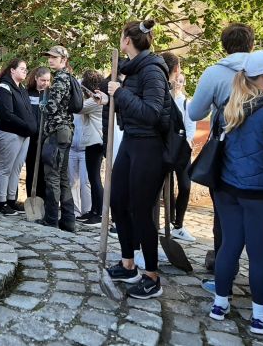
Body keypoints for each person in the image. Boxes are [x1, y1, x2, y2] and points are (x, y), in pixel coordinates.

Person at [208, 50, 263, 334]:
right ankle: (258, 317)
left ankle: (219, 304)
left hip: (227, 187)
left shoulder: (229, 104)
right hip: (261, 192)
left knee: (229, 246)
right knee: (259, 254)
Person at [187, 23, 259, 287]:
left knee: (224, 215)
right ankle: (262, 277)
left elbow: (195, 113)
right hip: (261, 152)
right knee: (261, 216)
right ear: (252, 44)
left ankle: (224, 274)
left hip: (226, 150)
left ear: (224, 45)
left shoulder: (214, 73)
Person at [106, 19, 169, 299]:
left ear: (127, 41)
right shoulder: (131, 70)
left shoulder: (152, 70)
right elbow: (131, 105)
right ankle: (128, 264)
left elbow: (151, 113)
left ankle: (152, 277)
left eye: (121, 36)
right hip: (132, 141)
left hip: (150, 146)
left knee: (141, 210)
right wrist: (109, 99)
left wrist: (120, 93)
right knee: (118, 201)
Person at [38, 46, 76, 232]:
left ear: (63, 59)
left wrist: (42, 102)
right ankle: (68, 220)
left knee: (52, 176)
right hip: (65, 131)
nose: (50, 60)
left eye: (54, 57)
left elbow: (51, 108)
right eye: (49, 57)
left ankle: (51, 218)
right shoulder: (68, 77)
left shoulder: (61, 78)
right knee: (62, 177)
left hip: (57, 131)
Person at [160, 52, 197, 242]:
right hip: (167, 148)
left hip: (182, 149)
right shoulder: (164, 97)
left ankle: (179, 224)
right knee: (167, 187)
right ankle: (169, 220)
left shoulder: (186, 103)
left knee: (185, 185)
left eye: (181, 81)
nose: (178, 83)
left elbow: (191, 126)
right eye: (177, 80)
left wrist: (187, 142)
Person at [0, 58, 37, 216]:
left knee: (16, 169)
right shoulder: (4, 88)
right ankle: (2, 202)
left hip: (24, 134)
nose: (25, 71)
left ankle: (11, 200)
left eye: (26, 69)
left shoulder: (21, 88)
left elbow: (27, 111)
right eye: (22, 68)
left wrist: (30, 126)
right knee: (5, 168)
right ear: (12, 70)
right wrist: (27, 126)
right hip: (10, 133)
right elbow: (6, 114)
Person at [77, 70, 108, 226]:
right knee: (93, 177)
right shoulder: (99, 98)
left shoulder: (95, 100)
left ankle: (99, 213)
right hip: (97, 140)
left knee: (94, 177)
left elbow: (78, 107)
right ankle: (94, 210)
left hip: (95, 141)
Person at [24, 67, 51, 200]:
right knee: (31, 167)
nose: (45, 83)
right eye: (42, 80)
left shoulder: (51, 95)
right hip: (30, 137)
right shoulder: (27, 93)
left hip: (46, 137)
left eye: (48, 80)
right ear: (36, 78)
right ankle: (31, 197)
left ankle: (43, 199)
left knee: (44, 169)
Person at [69, 112, 91, 218]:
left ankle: (87, 211)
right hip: (72, 148)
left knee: (85, 182)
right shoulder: (71, 109)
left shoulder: (89, 106)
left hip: (85, 150)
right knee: (72, 182)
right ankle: (75, 211)